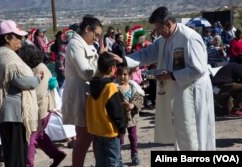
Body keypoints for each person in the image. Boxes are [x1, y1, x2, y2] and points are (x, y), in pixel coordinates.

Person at [113, 6, 215, 150]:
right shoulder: (164, 39)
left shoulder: (189, 38)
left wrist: (172, 75)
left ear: (168, 24)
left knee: (194, 130)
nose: (157, 32)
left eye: (159, 29)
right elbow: (147, 54)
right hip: (179, 89)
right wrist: (124, 60)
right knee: (181, 128)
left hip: (194, 91)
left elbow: (198, 69)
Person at [0, 20, 41, 167]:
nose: (21, 40)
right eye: (18, 37)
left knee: (13, 156)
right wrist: (37, 79)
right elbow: (21, 81)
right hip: (13, 114)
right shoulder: (7, 57)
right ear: (7, 38)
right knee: (16, 158)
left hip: (8, 113)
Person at [62, 15, 103, 167]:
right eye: (96, 35)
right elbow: (85, 72)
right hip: (79, 97)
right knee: (84, 138)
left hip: (89, 96)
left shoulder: (87, 45)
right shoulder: (75, 44)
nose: (97, 39)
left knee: (90, 136)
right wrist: (103, 65)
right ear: (87, 29)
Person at [18, 45, 67, 167]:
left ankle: (28, 164)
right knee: (39, 135)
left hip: (39, 110)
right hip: (41, 110)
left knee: (31, 138)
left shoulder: (41, 69)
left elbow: (38, 94)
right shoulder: (37, 67)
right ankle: (56, 154)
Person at [86, 52, 126, 167]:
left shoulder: (91, 86)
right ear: (112, 68)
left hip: (96, 130)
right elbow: (116, 111)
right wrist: (122, 128)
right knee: (113, 161)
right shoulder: (111, 87)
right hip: (110, 131)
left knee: (100, 161)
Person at [116, 66, 143, 165]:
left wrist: (133, 105)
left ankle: (134, 155)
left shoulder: (134, 87)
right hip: (121, 117)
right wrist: (122, 105)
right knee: (120, 138)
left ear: (130, 76)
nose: (122, 77)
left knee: (133, 137)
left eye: (125, 74)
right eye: (120, 75)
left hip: (132, 117)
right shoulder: (115, 88)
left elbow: (139, 98)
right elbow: (113, 102)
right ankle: (118, 158)